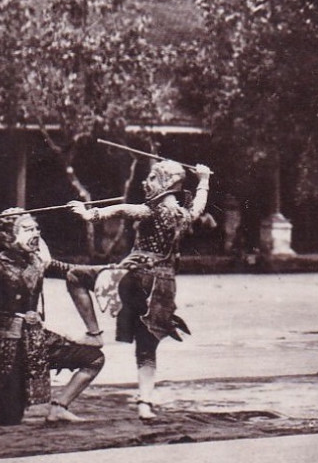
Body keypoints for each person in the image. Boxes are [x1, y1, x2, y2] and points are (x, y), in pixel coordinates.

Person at [67, 159, 210, 420]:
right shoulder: (181, 213)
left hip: (136, 278)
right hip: (164, 287)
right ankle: (145, 403)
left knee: (76, 276)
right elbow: (198, 207)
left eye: (153, 178)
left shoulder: (153, 210)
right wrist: (204, 181)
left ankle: (93, 332)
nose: (147, 183)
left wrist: (91, 214)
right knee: (147, 348)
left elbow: (123, 210)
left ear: (166, 183)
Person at [0, 209, 106, 425]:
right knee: (8, 418)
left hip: (37, 339)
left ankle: (59, 407)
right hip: (8, 343)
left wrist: (109, 271)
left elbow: (74, 271)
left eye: (37, 229)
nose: (35, 233)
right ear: (9, 236)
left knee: (94, 359)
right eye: (27, 229)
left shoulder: (39, 261)